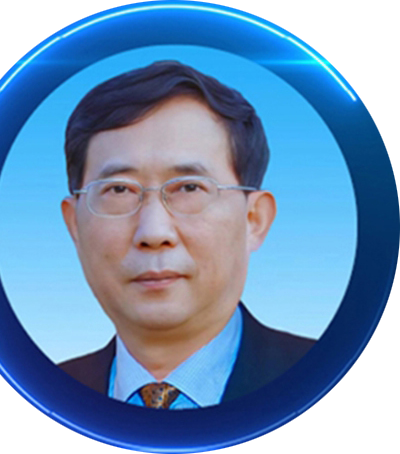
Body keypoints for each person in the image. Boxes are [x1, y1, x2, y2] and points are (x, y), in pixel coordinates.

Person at [59, 61, 315, 409]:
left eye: (189, 188)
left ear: (254, 219)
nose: (153, 232)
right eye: (119, 190)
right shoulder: (26, 400)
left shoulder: (342, 384)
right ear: (74, 223)